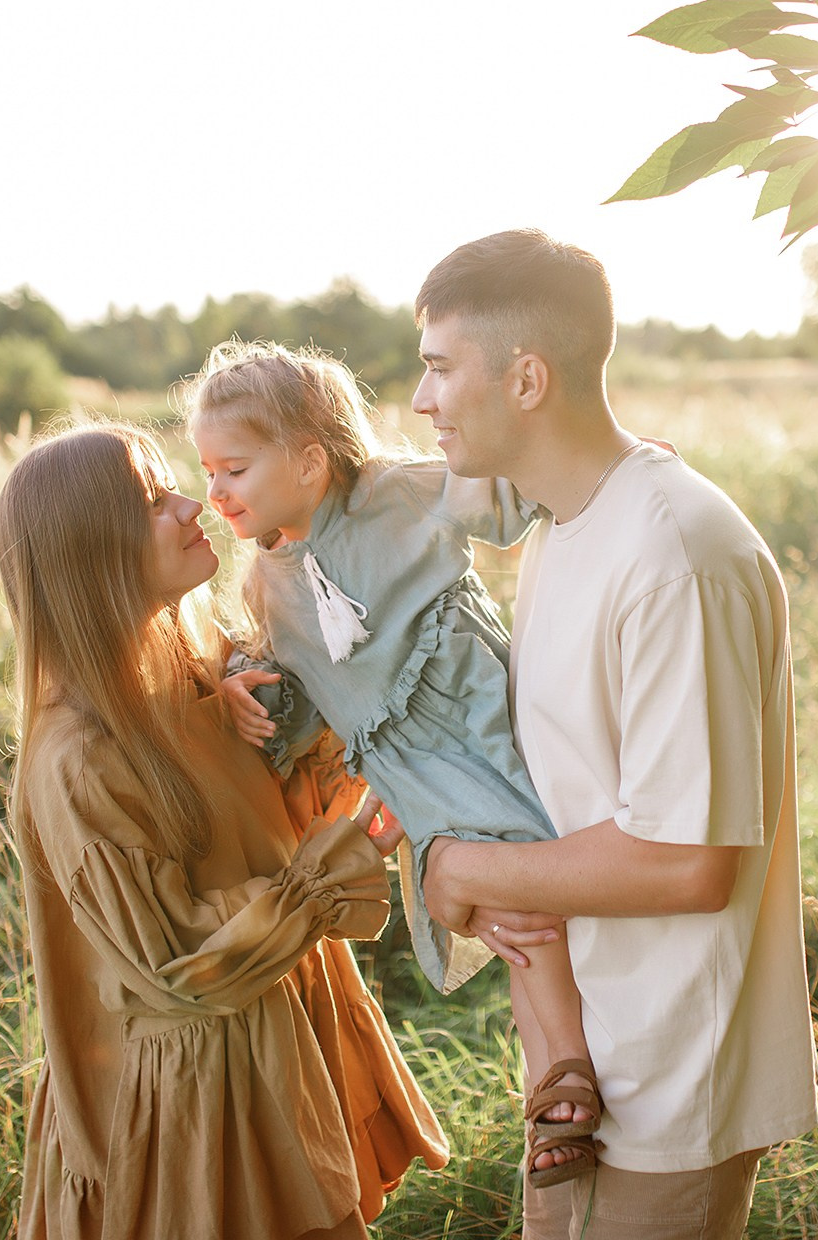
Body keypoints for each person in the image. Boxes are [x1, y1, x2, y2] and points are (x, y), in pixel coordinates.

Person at [412, 231, 818, 1239]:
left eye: (437, 368)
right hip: (587, 1065)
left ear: (529, 377)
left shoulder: (677, 552)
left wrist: (465, 869)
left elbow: (689, 862)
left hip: (670, 1080)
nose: (421, 401)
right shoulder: (564, 528)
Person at [0, 422, 448, 1240]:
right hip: (203, 1097)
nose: (189, 506)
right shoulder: (78, 758)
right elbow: (179, 961)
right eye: (150, 501)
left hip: (273, 1038)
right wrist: (345, 859)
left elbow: (282, 797)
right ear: (91, 551)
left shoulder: (202, 670)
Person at [185, 341, 604, 1188]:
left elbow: (512, 496)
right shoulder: (267, 582)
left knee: (523, 892)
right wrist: (250, 696)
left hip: (477, 723)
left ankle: (565, 1074)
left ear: (308, 461)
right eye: (207, 471)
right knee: (505, 905)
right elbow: (301, 698)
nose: (215, 491)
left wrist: (612, 472)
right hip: (407, 773)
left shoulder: (400, 495)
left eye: (232, 468)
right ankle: (560, 1074)